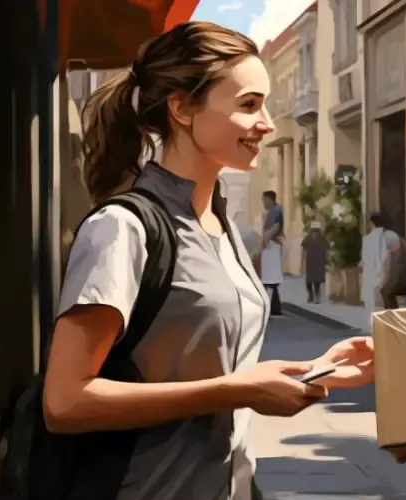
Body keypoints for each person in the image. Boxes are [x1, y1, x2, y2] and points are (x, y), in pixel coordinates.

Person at [43, 21, 375, 500]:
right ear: (181, 108)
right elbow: (65, 401)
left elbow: (216, 366)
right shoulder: (122, 229)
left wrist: (313, 370)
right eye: (248, 105)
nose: (266, 123)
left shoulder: (226, 230)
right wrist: (237, 390)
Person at [361, 212, 402, 313]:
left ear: (371, 223)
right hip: (390, 275)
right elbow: (398, 253)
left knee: (377, 308)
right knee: (390, 305)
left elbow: (365, 261)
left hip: (373, 278)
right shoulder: (392, 236)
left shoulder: (367, 239)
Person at [260, 189, 284, 316]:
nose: (263, 202)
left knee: (270, 277)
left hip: (272, 246)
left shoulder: (277, 211)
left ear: (269, 199)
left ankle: (272, 306)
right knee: (267, 276)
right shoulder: (269, 212)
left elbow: (276, 227)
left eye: (264, 199)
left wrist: (265, 238)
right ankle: (270, 305)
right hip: (269, 246)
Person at [300, 220, 328, 304]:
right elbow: (303, 252)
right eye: (314, 231)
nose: (315, 233)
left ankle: (317, 297)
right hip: (310, 263)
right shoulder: (307, 239)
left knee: (317, 282)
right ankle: (311, 296)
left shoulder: (322, 239)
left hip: (319, 262)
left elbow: (327, 250)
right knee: (308, 282)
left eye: (317, 231)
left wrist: (327, 261)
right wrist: (302, 264)